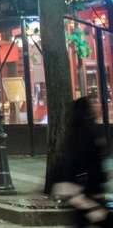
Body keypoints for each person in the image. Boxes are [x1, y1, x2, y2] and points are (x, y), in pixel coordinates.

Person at [53, 97, 111, 227]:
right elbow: (89, 159)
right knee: (102, 219)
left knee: (84, 220)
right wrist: (101, 176)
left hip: (80, 189)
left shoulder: (76, 131)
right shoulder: (89, 130)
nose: (95, 108)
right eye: (91, 106)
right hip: (88, 188)